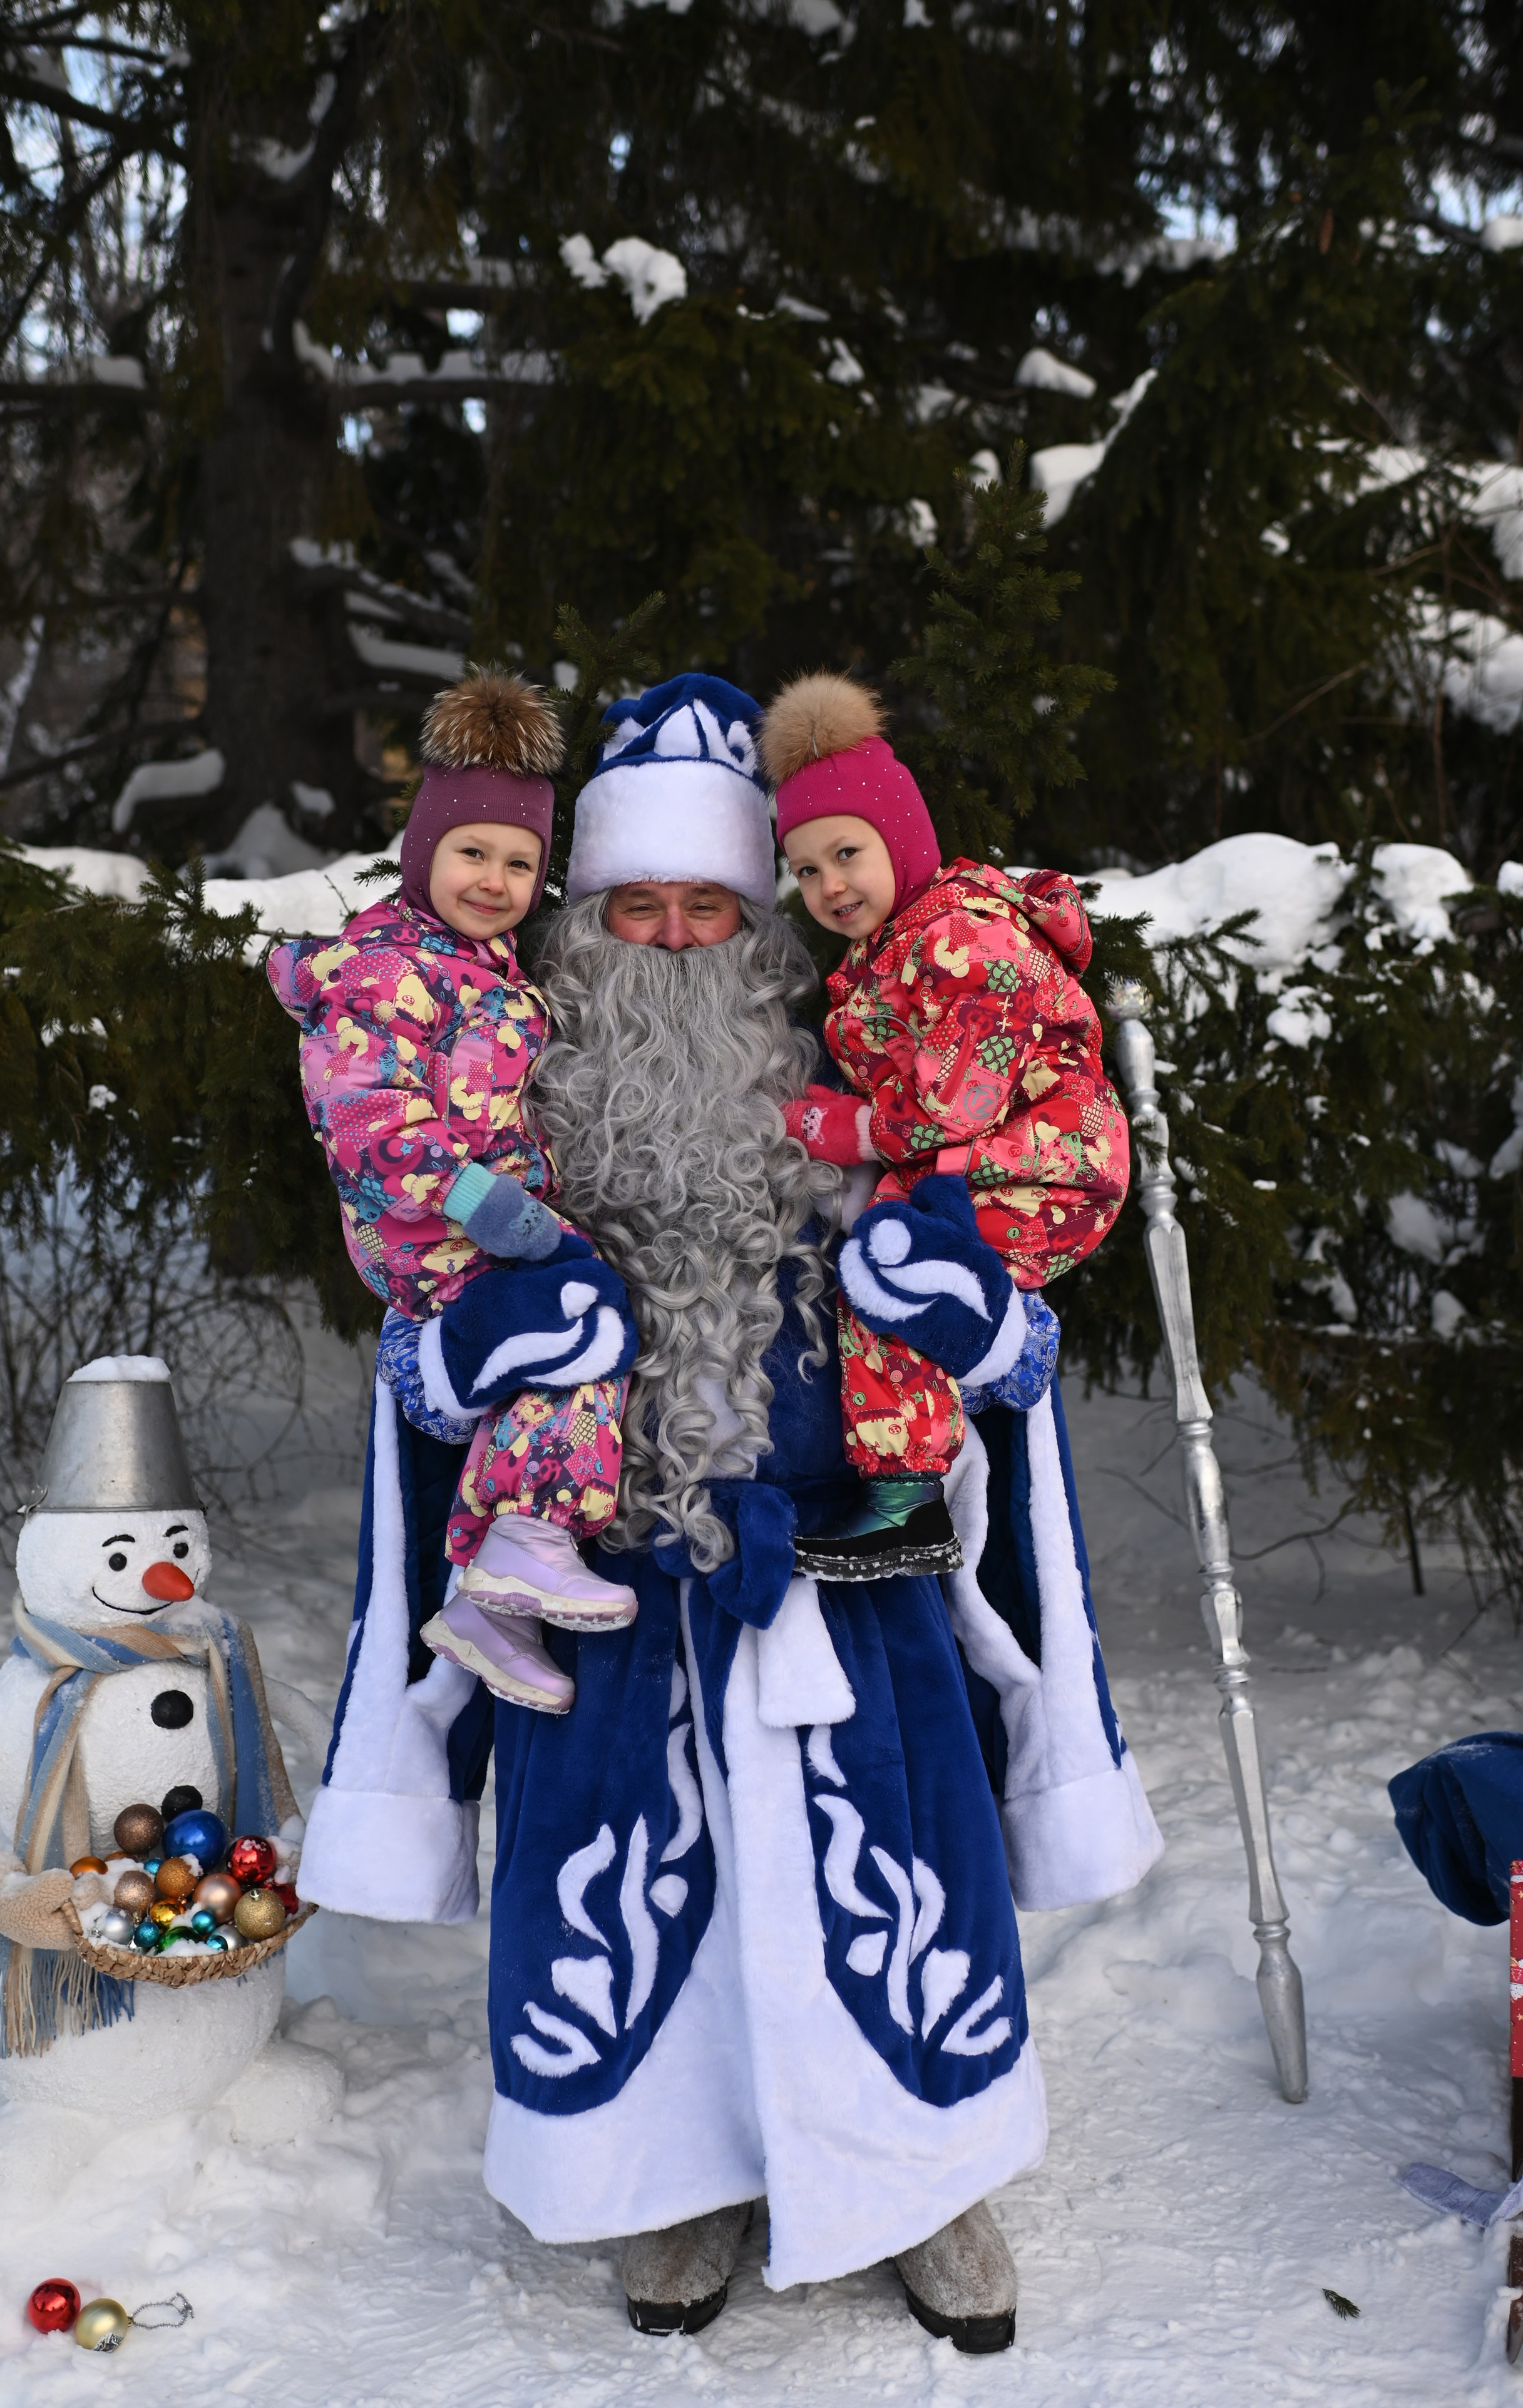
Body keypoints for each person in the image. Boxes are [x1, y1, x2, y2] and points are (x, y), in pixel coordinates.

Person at [295, 673, 1164, 2354]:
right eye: (641, 903)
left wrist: (969, 1306)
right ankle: (664, 2176)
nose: (681, 935)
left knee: (900, 1883)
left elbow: (1009, 1341)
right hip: (609, 1587)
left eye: (714, 903)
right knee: (625, 1896)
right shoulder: (508, 1102)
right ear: (587, 919)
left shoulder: (872, 1077)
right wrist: (488, 1342)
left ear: (766, 923)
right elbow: (416, 1363)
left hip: (855, 1586)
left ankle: (922, 2174)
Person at [267, 670, 641, 1718]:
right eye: (474, 852)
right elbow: (366, 1122)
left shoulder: (492, 971)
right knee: (583, 1314)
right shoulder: (385, 970)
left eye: (521, 861)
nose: (495, 878)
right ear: (424, 850)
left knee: (559, 1343)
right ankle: (527, 1538)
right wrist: (487, 1204)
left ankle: (490, 1599)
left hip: (484, 1218)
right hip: (426, 1229)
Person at [764, 672, 1129, 1584]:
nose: (829, 885)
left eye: (848, 854)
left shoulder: (965, 938)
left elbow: (950, 1101)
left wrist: (833, 1128)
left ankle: (914, 1489)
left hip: (1051, 1167)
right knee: (885, 1262)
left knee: (897, 1268)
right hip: (984, 1164)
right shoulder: (893, 944)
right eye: (806, 869)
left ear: (901, 838)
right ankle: (908, 1486)